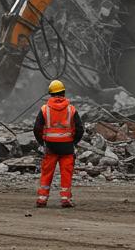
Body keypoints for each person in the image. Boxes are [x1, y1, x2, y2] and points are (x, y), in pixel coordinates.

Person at [33, 79, 83, 208]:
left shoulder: (44, 109)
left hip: (50, 146)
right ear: (63, 93)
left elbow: (37, 128)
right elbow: (80, 129)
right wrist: (74, 142)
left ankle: (42, 199)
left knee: (47, 172)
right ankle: (65, 199)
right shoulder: (71, 109)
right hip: (67, 146)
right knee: (66, 173)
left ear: (50, 93)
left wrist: (41, 142)